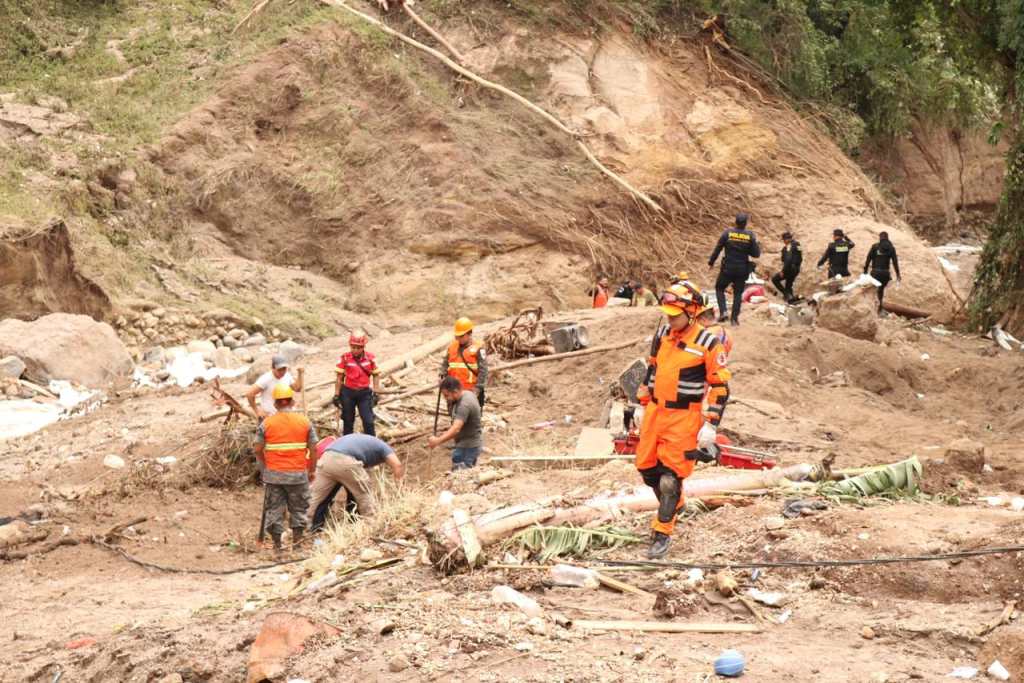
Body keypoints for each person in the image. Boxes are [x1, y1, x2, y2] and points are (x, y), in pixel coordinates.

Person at [635, 282, 730, 559]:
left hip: (684, 416)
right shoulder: (663, 333)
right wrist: (641, 403)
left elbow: (721, 386)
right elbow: (652, 368)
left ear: (692, 312)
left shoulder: (708, 344)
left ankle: (662, 531)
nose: (670, 319)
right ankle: (676, 503)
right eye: (667, 314)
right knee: (647, 469)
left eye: (675, 314)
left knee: (669, 479)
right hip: (655, 411)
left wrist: (711, 424)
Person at [254, 384, 318, 552]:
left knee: (274, 510)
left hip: (274, 475)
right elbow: (313, 449)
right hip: (297, 474)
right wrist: (312, 470)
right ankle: (297, 546)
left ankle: (277, 548)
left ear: (275, 404)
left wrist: (265, 467)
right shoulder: (304, 422)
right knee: (299, 509)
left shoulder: (267, 423)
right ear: (292, 401)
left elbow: (257, 449)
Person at [307, 433, 404, 531]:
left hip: (326, 457)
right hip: (345, 459)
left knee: (316, 497)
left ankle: (304, 526)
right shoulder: (384, 448)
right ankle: (372, 523)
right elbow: (397, 465)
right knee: (364, 492)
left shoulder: (365, 443)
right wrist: (399, 489)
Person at [708, 212, 761, 326]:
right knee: (738, 294)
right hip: (742, 270)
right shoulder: (750, 236)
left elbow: (718, 249)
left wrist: (711, 262)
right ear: (745, 223)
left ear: (735, 222)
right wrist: (756, 245)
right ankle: (734, 320)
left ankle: (723, 312)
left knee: (719, 288)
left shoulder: (727, 233)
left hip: (728, 268)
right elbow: (756, 254)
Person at [427, 376, 483, 470]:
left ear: (455, 391)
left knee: (462, 474)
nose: (445, 398)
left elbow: (456, 428)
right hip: (463, 444)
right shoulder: (463, 396)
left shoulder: (465, 404)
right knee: (456, 469)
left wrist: (438, 441)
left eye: (446, 395)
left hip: (469, 447)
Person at [333, 330, 380, 436]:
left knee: (368, 421)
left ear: (363, 347)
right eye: (353, 347)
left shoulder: (370, 358)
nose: (355, 350)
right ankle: (347, 445)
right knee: (348, 421)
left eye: (358, 347)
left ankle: (371, 444)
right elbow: (339, 378)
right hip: (348, 393)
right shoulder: (345, 358)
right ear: (350, 346)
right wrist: (336, 395)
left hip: (364, 394)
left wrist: (376, 393)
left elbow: (376, 375)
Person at [439, 317, 488, 408]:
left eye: (461, 336)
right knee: (454, 417)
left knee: (472, 419)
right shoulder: (452, 347)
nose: (458, 339)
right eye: (457, 336)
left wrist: (477, 389)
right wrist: (442, 373)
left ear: (469, 333)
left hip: (471, 391)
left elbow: (483, 371)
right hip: (454, 391)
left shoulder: (478, 348)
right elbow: (445, 363)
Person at [246, 355, 304, 419]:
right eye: (279, 370)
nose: (282, 372)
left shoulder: (287, 375)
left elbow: (297, 388)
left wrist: (300, 374)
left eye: (284, 369)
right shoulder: (266, 379)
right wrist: (257, 411)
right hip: (270, 415)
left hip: (286, 414)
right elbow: (250, 394)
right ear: (273, 368)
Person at [864, 231, 902, 314]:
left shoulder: (875, 246)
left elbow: (868, 259)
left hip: (875, 272)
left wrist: (865, 272)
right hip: (885, 274)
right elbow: (895, 262)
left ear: (880, 238)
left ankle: (871, 309)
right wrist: (898, 274)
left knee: (872, 290)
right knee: (881, 290)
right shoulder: (891, 248)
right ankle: (880, 308)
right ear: (887, 238)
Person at [770, 231, 802, 303]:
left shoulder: (789, 246)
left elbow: (788, 259)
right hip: (796, 269)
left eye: (784, 240)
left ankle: (787, 295)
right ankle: (792, 299)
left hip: (789, 269)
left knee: (775, 279)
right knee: (788, 285)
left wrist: (783, 271)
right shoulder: (797, 244)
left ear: (787, 239)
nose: (784, 242)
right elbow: (800, 258)